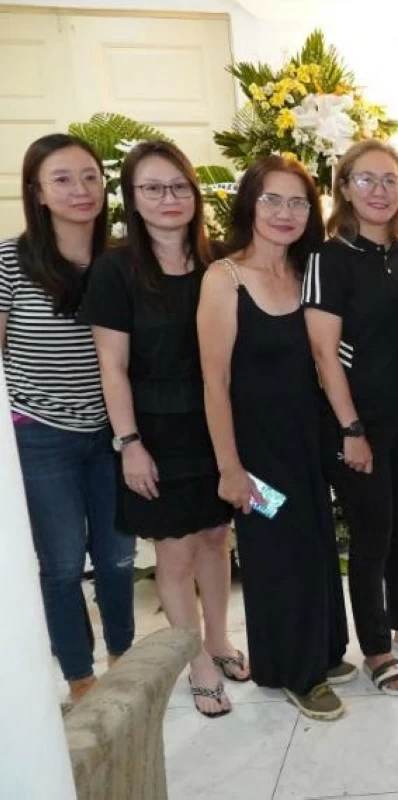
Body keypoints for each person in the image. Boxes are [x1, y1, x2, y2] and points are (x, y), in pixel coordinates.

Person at [79, 140, 241, 717]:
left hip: (217, 427)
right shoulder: (115, 270)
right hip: (155, 433)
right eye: (152, 188)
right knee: (174, 555)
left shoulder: (221, 262)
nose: (168, 199)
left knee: (217, 539)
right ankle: (194, 659)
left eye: (178, 186)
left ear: (195, 194)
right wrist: (129, 445)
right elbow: (112, 368)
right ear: (132, 198)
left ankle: (220, 639)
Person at [197, 155, 351, 721]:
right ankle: (293, 671)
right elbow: (215, 382)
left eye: (298, 202)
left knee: (313, 547)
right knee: (277, 557)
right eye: (272, 200)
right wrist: (229, 468)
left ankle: (321, 649)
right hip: (257, 453)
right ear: (249, 204)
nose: (285, 213)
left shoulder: (305, 270)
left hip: (304, 443)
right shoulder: (225, 278)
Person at [304, 140, 398, 697]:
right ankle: (376, 648)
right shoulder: (328, 257)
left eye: (391, 180)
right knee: (371, 533)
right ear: (344, 188)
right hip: (354, 425)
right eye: (366, 180)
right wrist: (351, 429)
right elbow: (322, 353)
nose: (380, 191)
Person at [0, 133, 134, 705]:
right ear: (37, 192)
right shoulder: (9, 259)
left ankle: (125, 662)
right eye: (62, 179)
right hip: (40, 435)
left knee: (118, 556)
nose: (81, 190)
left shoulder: (122, 258)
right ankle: (79, 676)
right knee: (59, 563)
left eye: (89, 176)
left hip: (113, 433)